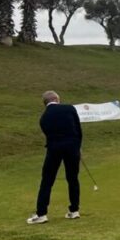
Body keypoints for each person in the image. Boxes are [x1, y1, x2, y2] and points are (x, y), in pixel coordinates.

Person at [28, 90, 82, 224]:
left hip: (54, 150)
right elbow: (78, 130)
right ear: (57, 99)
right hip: (72, 148)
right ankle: (74, 211)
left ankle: (42, 214)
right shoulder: (69, 108)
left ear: (44, 102)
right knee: (72, 178)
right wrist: (77, 147)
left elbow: (49, 135)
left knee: (47, 180)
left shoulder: (44, 118)